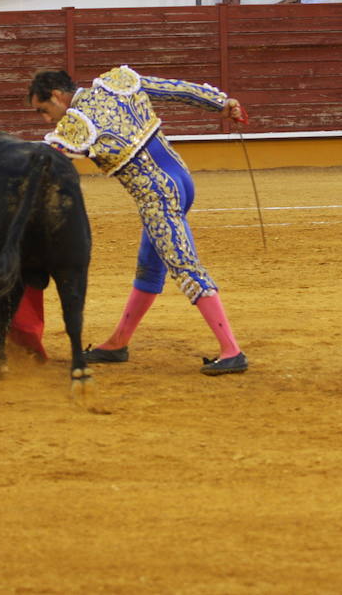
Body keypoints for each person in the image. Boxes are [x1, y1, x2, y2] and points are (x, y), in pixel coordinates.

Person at [28, 67, 248, 375]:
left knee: (186, 267)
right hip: (181, 180)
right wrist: (220, 103)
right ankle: (118, 343)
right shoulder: (114, 83)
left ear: (56, 96)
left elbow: (44, 159)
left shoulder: (75, 125)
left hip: (157, 196)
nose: (47, 119)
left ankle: (231, 350)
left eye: (44, 110)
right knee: (149, 267)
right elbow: (175, 88)